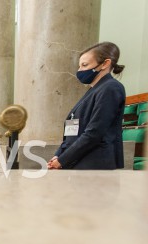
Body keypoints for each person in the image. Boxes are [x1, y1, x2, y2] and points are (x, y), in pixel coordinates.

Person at [48, 42, 126, 170]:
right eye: (80, 66)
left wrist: (63, 160)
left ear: (105, 64)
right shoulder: (94, 89)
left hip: (95, 162)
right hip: (80, 160)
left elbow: (94, 133)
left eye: (85, 65)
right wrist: (58, 155)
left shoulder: (110, 88)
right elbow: (74, 131)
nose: (80, 71)